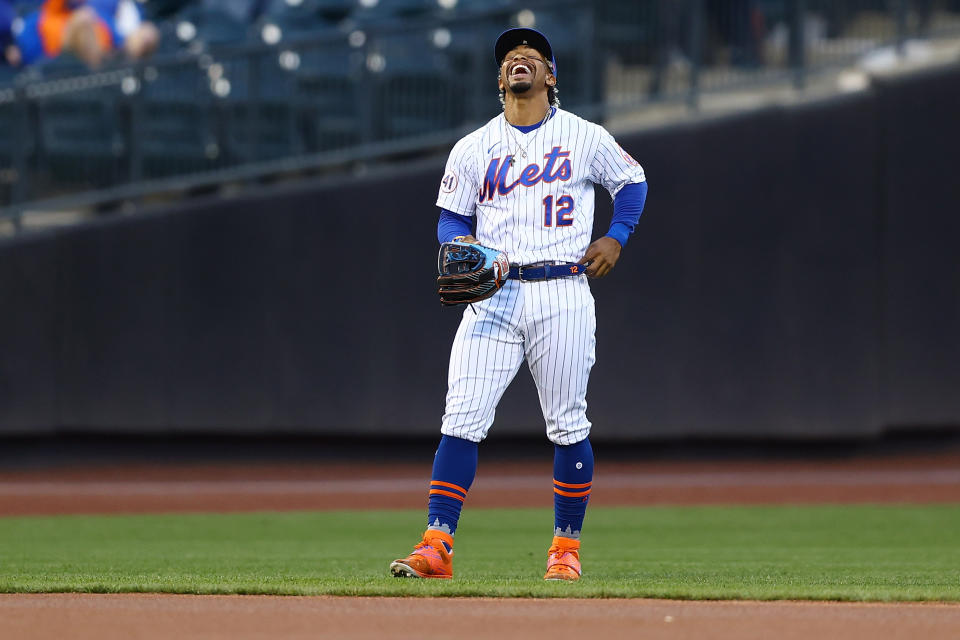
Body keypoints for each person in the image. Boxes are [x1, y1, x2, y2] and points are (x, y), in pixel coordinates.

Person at [389, 27, 648, 581]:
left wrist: (617, 235)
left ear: (551, 76)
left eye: (532, 55)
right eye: (510, 56)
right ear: (500, 77)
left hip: (563, 290)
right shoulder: (474, 146)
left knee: (567, 424)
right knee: (461, 418)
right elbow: (451, 217)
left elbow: (632, 181)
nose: (519, 59)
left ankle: (565, 551)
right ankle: (437, 545)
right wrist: (459, 247)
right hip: (495, 295)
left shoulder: (585, 136)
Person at [13, 0, 158, 69]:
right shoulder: (38, 22)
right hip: (62, 77)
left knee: (147, 32)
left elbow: (122, 43)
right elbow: (33, 63)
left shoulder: (95, 14)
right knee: (83, 22)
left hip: (104, 75)